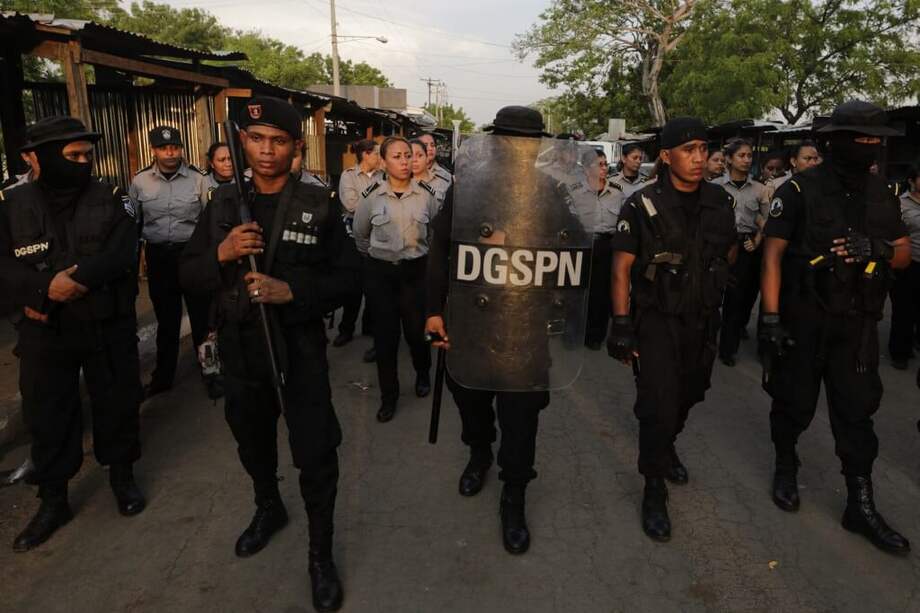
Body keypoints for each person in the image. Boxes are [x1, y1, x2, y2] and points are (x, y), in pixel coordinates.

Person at [179, 96, 353, 610]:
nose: (266, 151)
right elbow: (185, 274)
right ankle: (268, 505)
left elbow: (350, 280)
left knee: (316, 452)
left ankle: (320, 554)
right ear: (242, 143)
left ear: (297, 148)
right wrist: (221, 253)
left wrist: (293, 292)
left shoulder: (320, 204)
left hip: (297, 348)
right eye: (255, 139)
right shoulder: (223, 206)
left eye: (278, 141)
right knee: (252, 442)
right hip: (240, 348)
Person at [426, 106, 592, 555]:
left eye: (528, 142)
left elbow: (575, 249)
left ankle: (514, 494)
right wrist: (433, 311)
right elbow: (438, 250)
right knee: (472, 402)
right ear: (496, 143)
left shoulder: (550, 191)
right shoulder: (467, 190)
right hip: (473, 324)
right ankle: (479, 453)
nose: (520, 149)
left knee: (521, 422)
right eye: (511, 141)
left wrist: (524, 245)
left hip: (525, 327)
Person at [760, 100, 911, 555]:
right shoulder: (801, 189)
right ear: (834, 140)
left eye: (876, 140)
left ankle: (859, 505)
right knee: (793, 402)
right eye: (860, 139)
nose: (869, 146)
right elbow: (771, 255)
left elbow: (903, 253)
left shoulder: (881, 193)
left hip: (858, 326)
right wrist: (769, 319)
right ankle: (786, 465)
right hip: (805, 320)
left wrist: (880, 249)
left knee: (857, 415)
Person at [0, 116, 145, 552]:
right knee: (49, 415)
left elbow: (123, 251)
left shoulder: (113, 195)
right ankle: (53, 499)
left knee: (117, 403)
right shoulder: (9, 203)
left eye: (87, 155)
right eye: (73, 156)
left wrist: (73, 281)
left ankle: (122, 478)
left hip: (106, 324)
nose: (83, 164)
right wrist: (43, 290)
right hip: (45, 330)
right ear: (37, 157)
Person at [607, 117, 737, 541]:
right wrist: (622, 325)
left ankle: (666, 445)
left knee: (691, 393)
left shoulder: (719, 202)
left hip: (701, 320)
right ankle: (653, 485)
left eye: (703, 148)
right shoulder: (640, 205)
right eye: (689, 149)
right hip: (657, 321)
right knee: (658, 405)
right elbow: (621, 269)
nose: (700, 158)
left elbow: (728, 253)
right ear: (666, 155)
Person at [353, 136, 437, 423]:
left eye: (409, 156)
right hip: (382, 275)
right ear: (384, 162)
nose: (405, 162)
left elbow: (435, 233)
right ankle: (388, 397)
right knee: (386, 339)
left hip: (415, 273)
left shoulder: (426, 195)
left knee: (416, 333)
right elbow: (361, 234)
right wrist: (381, 257)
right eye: (398, 157)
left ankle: (423, 373)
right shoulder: (372, 196)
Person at [130, 125, 211, 397]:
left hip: (191, 255)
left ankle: (210, 371)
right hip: (158, 257)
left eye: (175, 147)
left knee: (202, 317)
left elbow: (209, 220)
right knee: (167, 321)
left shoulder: (198, 179)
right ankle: (162, 378)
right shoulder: (140, 181)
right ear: (153, 150)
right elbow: (133, 223)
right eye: (164, 148)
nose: (170, 153)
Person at [712, 137, 769, 366]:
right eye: (741, 156)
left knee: (737, 301)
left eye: (749, 156)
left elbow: (766, 221)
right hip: (718, 248)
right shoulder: (715, 187)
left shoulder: (760, 190)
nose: (746, 160)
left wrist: (756, 240)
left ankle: (728, 349)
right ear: (728, 159)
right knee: (713, 296)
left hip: (746, 248)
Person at [336, 139, 381, 352]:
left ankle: (369, 326)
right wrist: (377, 206)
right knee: (352, 288)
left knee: (374, 286)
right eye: (377, 154)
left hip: (377, 238)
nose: (380, 158)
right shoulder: (349, 176)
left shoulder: (385, 176)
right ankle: (346, 329)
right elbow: (351, 205)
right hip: (353, 237)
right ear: (365, 154)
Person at [579, 148, 625, 349]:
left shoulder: (616, 192)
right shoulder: (574, 191)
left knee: (602, 293)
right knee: (579, 292)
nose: (605, 168)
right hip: (582, 244)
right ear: (587, 168)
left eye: (606, 164)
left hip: (607, 246)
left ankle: (595, 336)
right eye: (600, 164)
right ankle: (574, 333)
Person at [888, 162, 920, 369]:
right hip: (910, 263)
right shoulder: (900, 204)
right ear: (911, 181)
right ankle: (900, 351)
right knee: (903, 310)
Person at [411, 138, 449, 208]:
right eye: (409, 156)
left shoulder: (444, 182)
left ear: (426, 157)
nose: (414, 160)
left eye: (419, 155)